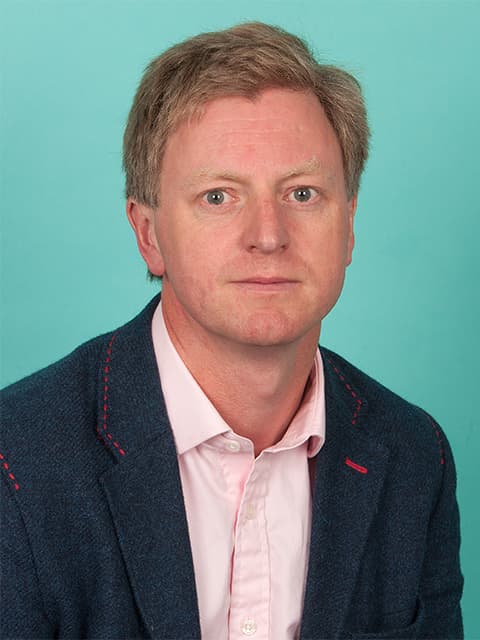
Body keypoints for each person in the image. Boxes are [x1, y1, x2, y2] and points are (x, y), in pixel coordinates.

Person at [0, 21, 463, 640]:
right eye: (219, 197)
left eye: (303, 193)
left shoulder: (414, 457)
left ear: (349, 226)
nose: (268, 236)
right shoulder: (16, 461)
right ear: (148, 234)